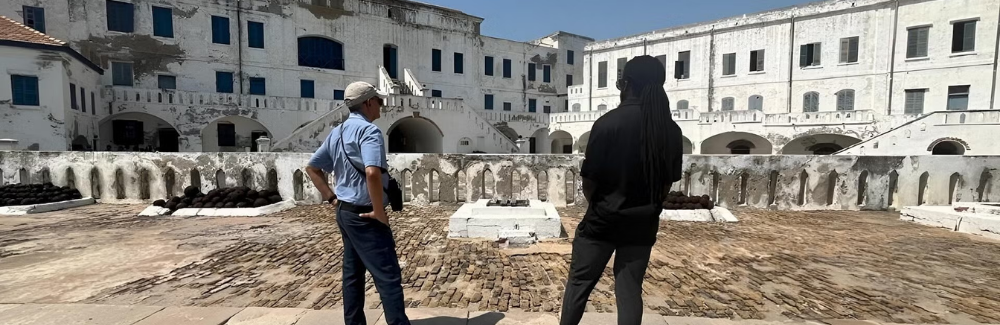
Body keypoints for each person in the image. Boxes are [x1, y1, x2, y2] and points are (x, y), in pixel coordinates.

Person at [559, 55, 684, 325]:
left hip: (602, 221)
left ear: (625, 84)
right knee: (629, 291)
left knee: (579, 284)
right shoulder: (671, 131)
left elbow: (590, 182)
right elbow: (665, 185)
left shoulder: (607, 124)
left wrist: (602, 207)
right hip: (642, 224)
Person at [306, 81, 411, 325]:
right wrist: (378, 211)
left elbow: (312, 167)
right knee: (388, 276)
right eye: (379, 101)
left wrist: (331, 197)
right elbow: (373, 173)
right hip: (366, 215)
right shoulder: (369, 132)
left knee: (353, 275)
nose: (381, 106)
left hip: (345, 211)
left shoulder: (338, 132)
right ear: (368, 102)